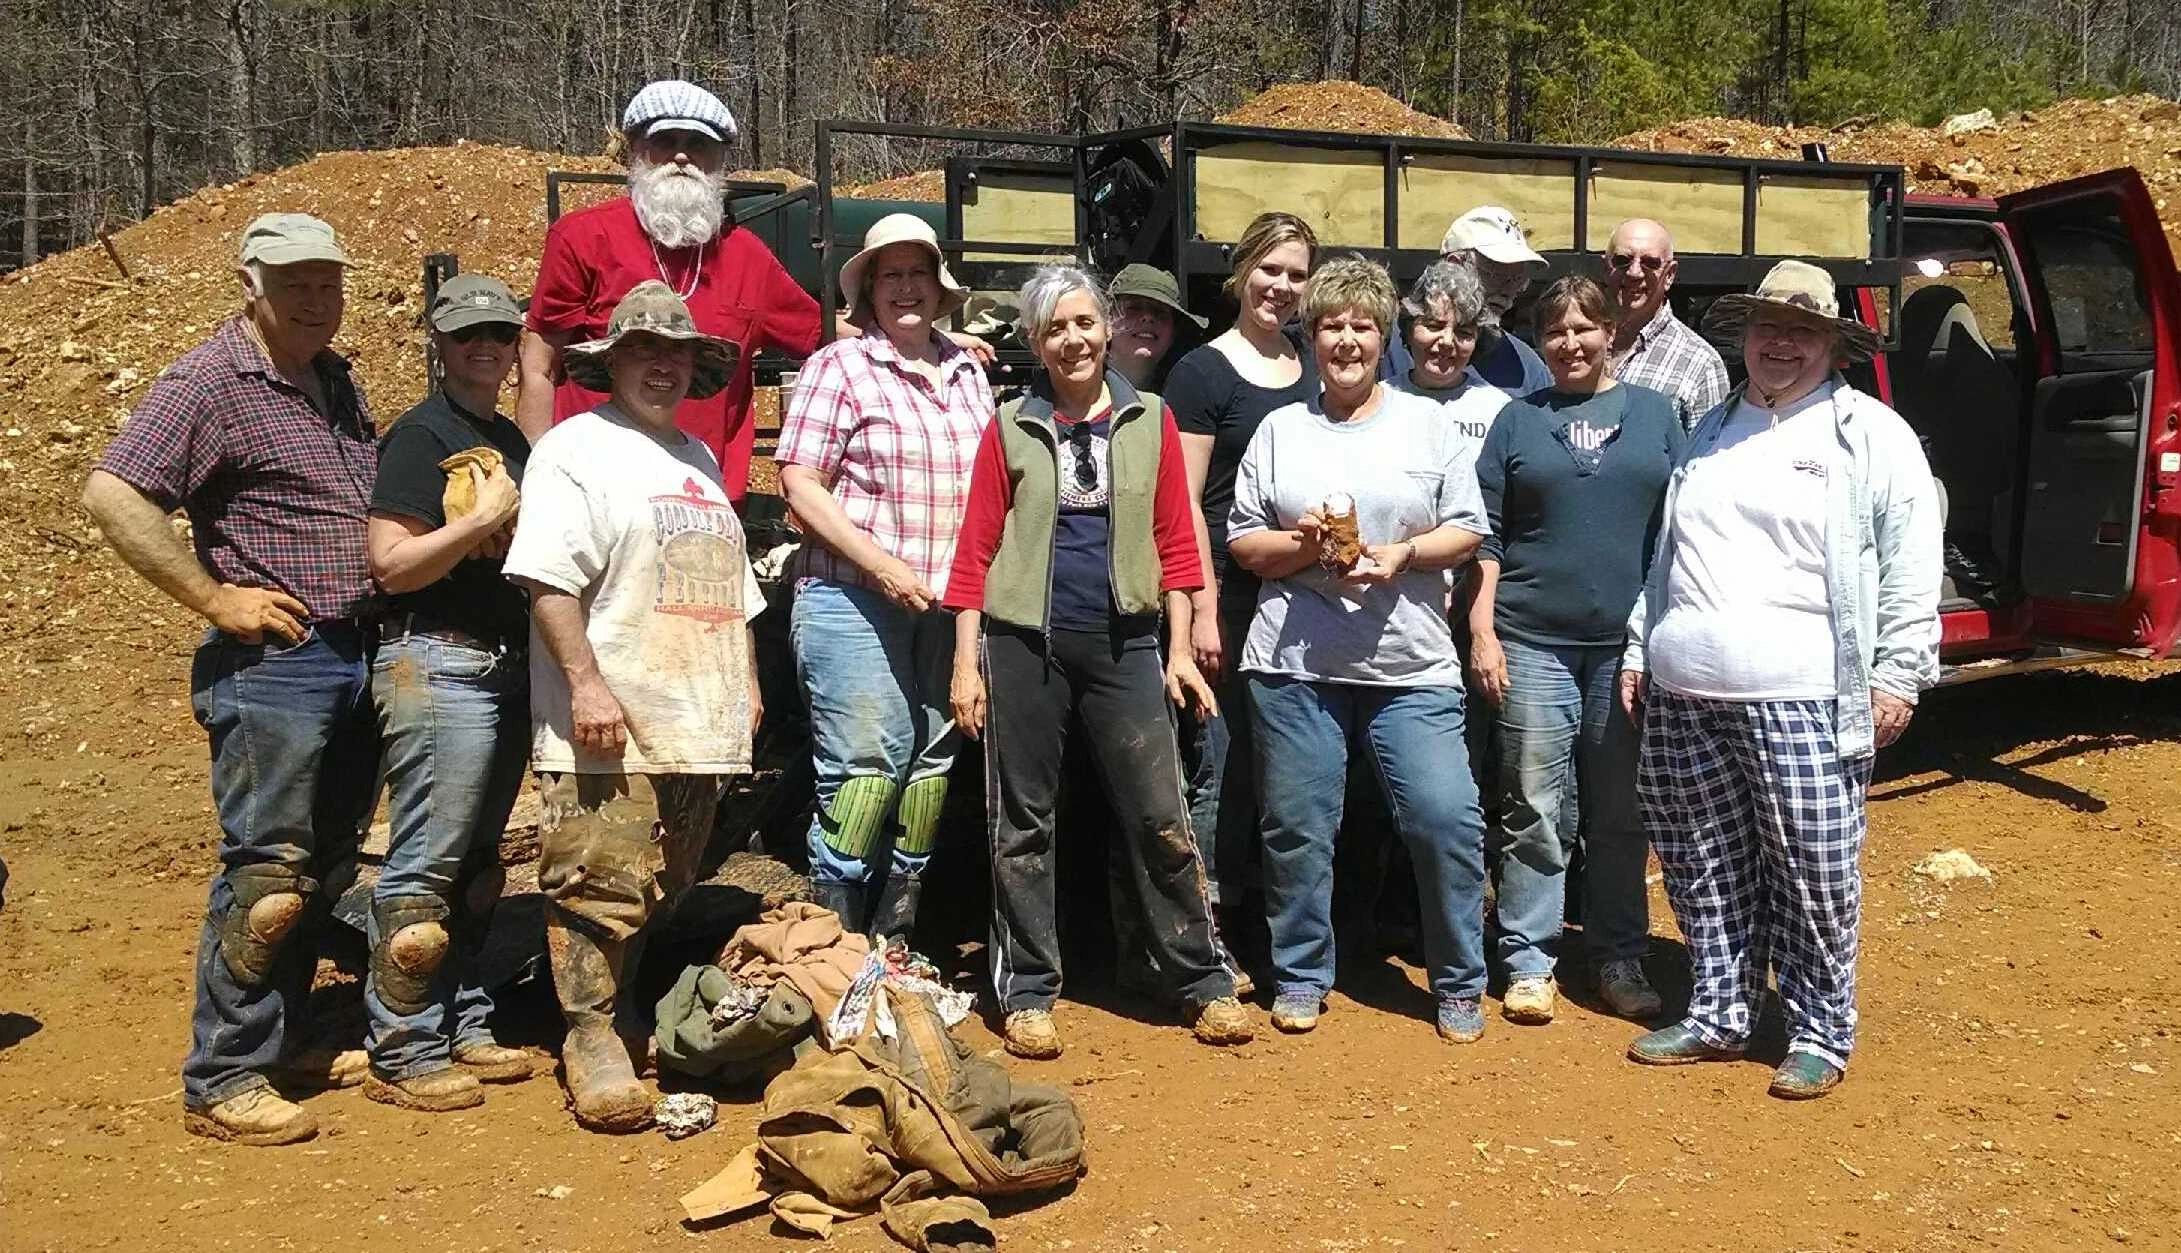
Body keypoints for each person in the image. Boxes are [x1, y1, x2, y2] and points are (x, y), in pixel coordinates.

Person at [83, 213, 379, 1145]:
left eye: (327, 282)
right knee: (267, 872)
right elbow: (112, 492)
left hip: (353, 651)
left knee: (323, 861)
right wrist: (214, 598)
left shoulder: (334, 378)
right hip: (273, 663)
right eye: (293, 283)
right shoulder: (212, 379)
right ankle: (224, 1075)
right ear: (247, 284)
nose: (314, 299)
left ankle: (285, 1035)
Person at [1621, 260, 1942, 1099]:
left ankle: (1818, 1029)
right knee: (1700, 860)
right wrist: (1636, 647)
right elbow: (1668, 554)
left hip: (1803, 691)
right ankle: (1720, 1010)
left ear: (1833, 345)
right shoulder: (1712, 427)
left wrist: (1899, 674)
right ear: (1745, 336)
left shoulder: (1868, 435)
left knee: (1813, 867)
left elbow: (1912, 565)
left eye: (1802, 331)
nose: (1781, 343)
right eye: (1768, 327)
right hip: (1684, 690)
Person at [943, 264, 1251, 1060]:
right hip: (1023, 645)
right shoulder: (1011, 423)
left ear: (1106, 327)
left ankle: (1203, 979)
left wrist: (1180, 649)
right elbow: (974, 551)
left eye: (1085, 323)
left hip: (1125, 643)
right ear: (1036, 342)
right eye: (1055, 329)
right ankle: (1027, 991)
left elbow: (1178, 544)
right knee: (1022, 824)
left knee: (1158, 814)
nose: (1073, 340)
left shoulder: (1148, 417)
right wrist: (965, 665)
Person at [502, 280, 767, 1132]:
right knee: (599, 879)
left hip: (697, 716)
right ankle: (589, 1039)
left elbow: (734, 588)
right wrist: (584, 681)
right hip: (611, 712)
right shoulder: (576, 448)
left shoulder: (693, 459)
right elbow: (547, 576)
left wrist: (748, 682)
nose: (661, 365)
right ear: (610, 361)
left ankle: (619, 1013)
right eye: (644, 350)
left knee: (662, 881)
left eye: (676, 352)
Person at [1226, 256, 1492, 1044]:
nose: (1345, 340)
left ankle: (1458, 980)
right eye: (1331, 325)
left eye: (1361, 325)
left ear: (1385, 338)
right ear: (1310, 337)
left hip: (1409, 664)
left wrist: (1403, 555)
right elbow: (1244, 542)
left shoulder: (1427, 424)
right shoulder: (1280, 430)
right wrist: (1303, 545)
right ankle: (1302, 972)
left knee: (1444, 818)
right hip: (1294, 663)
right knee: (1298, 825)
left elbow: (1468, 527)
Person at [1468, 276, 1683, 1026]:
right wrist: (1482, 627)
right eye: (1554, 331)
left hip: (1624, 647)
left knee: (1619, 811)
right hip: (1532, 639)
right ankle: (1528, 957)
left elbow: (1675, 533)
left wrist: (1658, 639)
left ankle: (1617, 955)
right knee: (1531, 804)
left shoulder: (1657, 416)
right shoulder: (1516, 421)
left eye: (1583, 328)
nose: (1570, 343)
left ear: (1610, 333)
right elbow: (1486, 533)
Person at [776, 215, 994, 938]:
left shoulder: (968, 374)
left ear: (939, 288)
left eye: (917, 274)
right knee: (865, 774)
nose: (905, 288)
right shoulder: (836, 368)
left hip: (947, 606)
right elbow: (800, 482)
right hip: (853, 595)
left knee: (928, 775)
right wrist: (881, 564)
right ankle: (831, 951)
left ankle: (892, 945)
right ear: (868, 290)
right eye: (889, 275)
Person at [359, 274, 538, 1112]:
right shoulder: (419, 435)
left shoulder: (507, 435)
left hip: (500, 665)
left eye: (499, 335)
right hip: (434, 658)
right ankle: (402, 1045)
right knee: (427, 858)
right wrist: (475, 522)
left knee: (475, 864)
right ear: (438, 342)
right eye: (467, 334)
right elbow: (391, 563)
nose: (484, 347)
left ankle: (460, 1014)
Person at [518, 80, 822, 506]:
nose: (682, 156)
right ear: (635, 151)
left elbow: (823, 334)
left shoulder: (746, 255)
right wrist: (537, 478)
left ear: (720, 160)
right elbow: (540, 367)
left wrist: (937, 338)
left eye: (699, 144)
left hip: (703, 498)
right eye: (665, 140)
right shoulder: (583, 238)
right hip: (594, 493)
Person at [1166, 212, 1318, 914]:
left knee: (1283, 766)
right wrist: (1200, 608)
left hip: (1307, 590)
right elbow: (1186, 502)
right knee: (1219, 765)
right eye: (1270, 269)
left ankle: (1273, 918)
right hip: (1228, 590)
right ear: (1242, 270)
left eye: (1294, 274)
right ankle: (1209, 924)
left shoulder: (1313, 366)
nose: (1280, 286)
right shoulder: (1202, 371)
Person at [1602, 218, 1730, 431]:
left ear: (1669, 275)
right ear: (1606, 268)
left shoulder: (1701, 363)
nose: (1634, 272)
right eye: (1622, 260)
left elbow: (1708, 458)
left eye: (1649, 263)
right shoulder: (1574, 345)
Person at [1437, 205, 1553, 396]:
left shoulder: (1527, 368)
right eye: (1495, 274)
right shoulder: (1396, 346)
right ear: (1453, 265)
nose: (1508, 290)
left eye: (1518, 279)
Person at [1108, 263, 1206, 391]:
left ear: (1173, 332)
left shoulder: (1188, 395)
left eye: (1160, 311)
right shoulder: (1079, 388)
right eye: (1134, 307)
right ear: (1107, 320)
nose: (1148, 317)